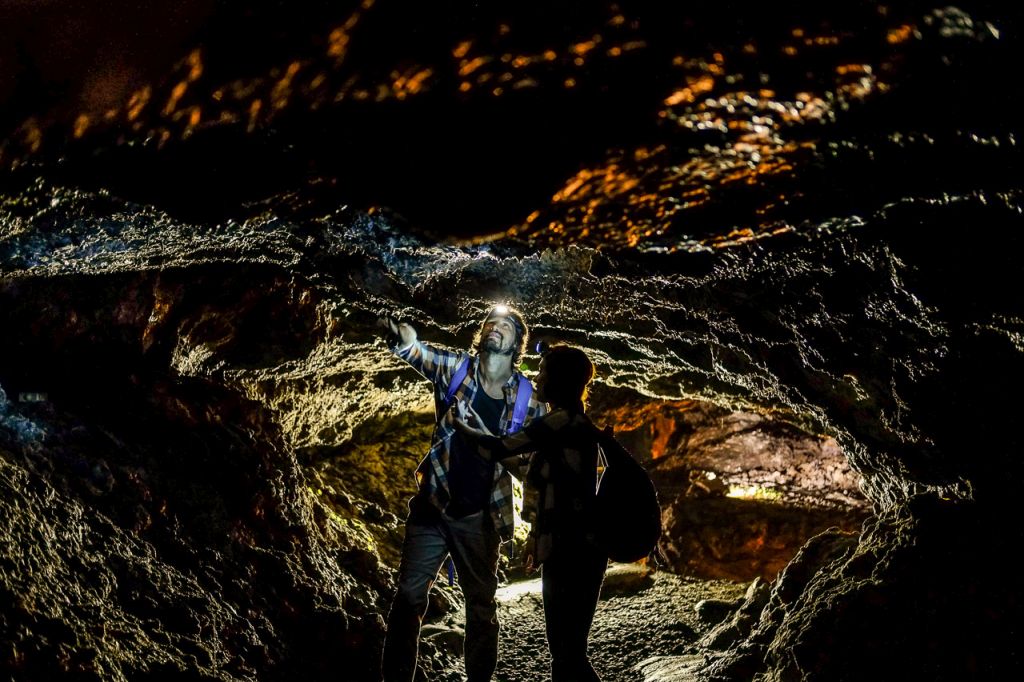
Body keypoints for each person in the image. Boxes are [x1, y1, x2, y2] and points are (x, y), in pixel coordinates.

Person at [378, 305, 546, 682]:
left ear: (518, 342)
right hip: (433, 507)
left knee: (482, 609)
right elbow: (421, 355)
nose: (494, 329)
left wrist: (538, 527)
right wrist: (407, 343)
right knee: (408, 599)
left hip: (481, 519)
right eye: (490, 323)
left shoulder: (527, 399)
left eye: (505, 326)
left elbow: (539, 467)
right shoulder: (457, 370)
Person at [455, 345, 607, 682]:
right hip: (578, 547)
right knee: (569, 652)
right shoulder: (574, 423)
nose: (537, 377)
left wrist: (462, 426)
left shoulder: (559, 421)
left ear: (560, 380)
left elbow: (501, 447)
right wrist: (537, 538)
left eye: (543, 371)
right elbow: (529, 471)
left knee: (566, 653)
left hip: (572, 549)